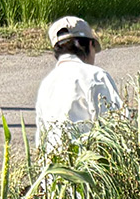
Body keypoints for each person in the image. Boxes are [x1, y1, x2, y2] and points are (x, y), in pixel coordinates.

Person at [33, 15, 124, 154]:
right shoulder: (96, 76)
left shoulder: (46, 85)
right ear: (89, 45)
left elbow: (41, 140)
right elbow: (116, 130)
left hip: (55, 171)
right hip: (88, 171)